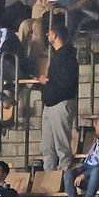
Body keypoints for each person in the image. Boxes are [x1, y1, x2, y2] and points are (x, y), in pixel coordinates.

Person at [37, 22, 78, 173]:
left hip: (60, 103)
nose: (47, 35)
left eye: (49, 33)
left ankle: (64, 174)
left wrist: (47, 82)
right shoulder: (58, 56)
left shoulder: (66, 56)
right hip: (50, 104)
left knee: (62, 145)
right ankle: (48, 175)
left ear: (55, 35)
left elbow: (66, 83)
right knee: (47, 146)